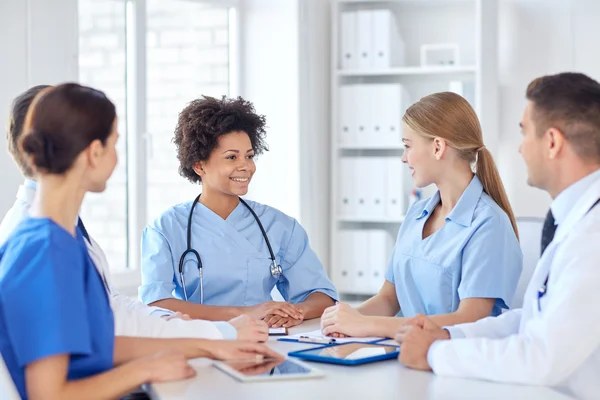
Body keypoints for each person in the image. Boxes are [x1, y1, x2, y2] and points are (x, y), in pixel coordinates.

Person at [0, 83, 279, 399]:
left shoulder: (56, 237)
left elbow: (95, 341)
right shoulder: (45, 251)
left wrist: (208, 345)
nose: (118, 158)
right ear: (94, 153)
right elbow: (47, 395)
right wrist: (145, 369)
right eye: (115, 144)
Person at [395, 72, 600, 399]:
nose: (520, 148)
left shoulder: (593, 237)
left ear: (551, 142)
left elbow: (542, 358)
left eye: (524, 132)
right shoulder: (574, 221)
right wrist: (448, 336)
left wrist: (435, 353)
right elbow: (532, 319)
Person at [321, 92, 522, 339]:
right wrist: (343, 322)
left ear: (437, 147)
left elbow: (469, 320)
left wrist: (367, 326)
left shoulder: (489, 224)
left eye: (407, 146)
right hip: (406, 356)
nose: (403, 157)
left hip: (458, 362)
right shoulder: (417, 213)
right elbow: (388, 299)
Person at [139, 96, 338, 328]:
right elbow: (156, 303)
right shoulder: (166, 228)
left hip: (264, 342)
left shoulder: (279, 226)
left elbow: (322, 297)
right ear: (199, 165)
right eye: (232, 157)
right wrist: (245, 313)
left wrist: (295, 311)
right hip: (197, 343)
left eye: (250, 156)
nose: (247, 166)